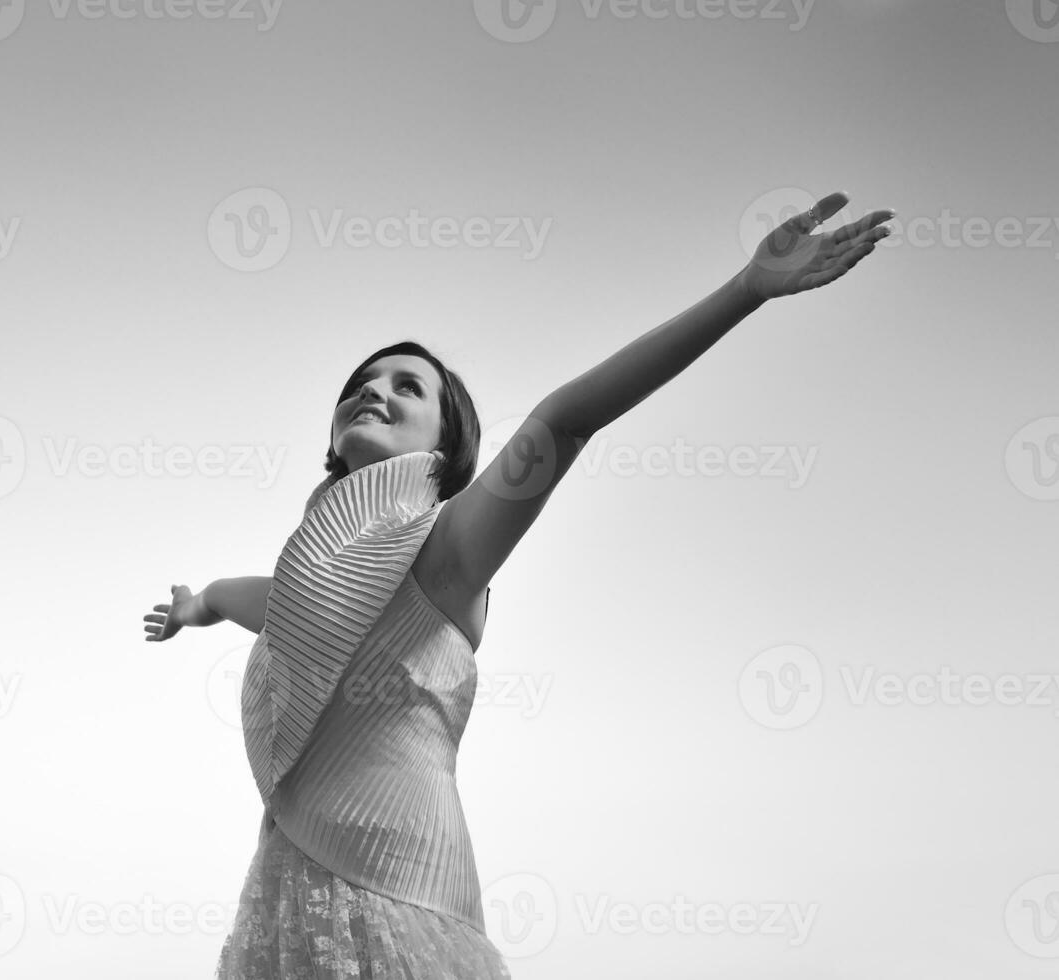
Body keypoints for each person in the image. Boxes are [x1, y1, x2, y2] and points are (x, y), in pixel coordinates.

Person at [144, 192, 894, 979]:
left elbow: (567, 420)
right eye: (362, 382)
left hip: (401, 907)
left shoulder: (449, 552)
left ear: (448, 441)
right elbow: (244, 598)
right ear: (332, 436)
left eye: (409, 387)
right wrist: (196, 606)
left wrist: (744, 290)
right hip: (288, 910)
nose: (376, 390)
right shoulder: (311, 596)